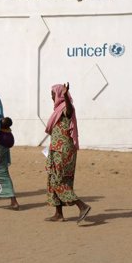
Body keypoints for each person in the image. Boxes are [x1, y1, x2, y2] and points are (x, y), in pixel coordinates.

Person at [44, 83, 91, 223]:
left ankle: (82, 206)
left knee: (58, 181)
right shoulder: (57, 110)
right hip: (55, 150)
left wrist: (65, 96)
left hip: (63, 151)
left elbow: (69, 112)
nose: (51, 96)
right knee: (52, 179)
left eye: (53, 93)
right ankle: (58, 214)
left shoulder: (65, 107)